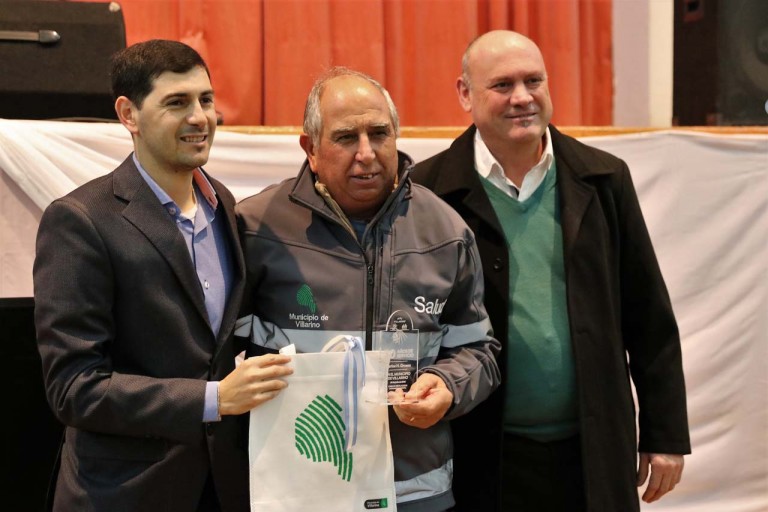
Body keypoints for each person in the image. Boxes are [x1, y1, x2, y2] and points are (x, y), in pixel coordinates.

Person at [411, 30, 691, 512]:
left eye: (533, 81)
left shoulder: (604, 179)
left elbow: (649, 316)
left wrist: (664, 433)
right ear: (465, 94)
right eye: (502, 85)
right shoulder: (427, 193)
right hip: (478, 452)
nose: (522, 97)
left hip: (592, 448)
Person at [33, 39, 292, 512]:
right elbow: (74, 388)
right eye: (177, 103)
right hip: (124, 495)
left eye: (206, 99)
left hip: (225, 488)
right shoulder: (79, 220)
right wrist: (213, 399)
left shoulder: (224, 203)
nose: (200, 117)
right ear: (128, 114)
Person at [236, 67, 501, 512]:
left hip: (416, 491)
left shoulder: (446, 232)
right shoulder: (256, 229)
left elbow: (480, 350)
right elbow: (218, 355)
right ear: (310, 148)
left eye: (379, 134)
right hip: (298, 490)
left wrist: (447, 384)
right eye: (345, 138)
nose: (366, 153)